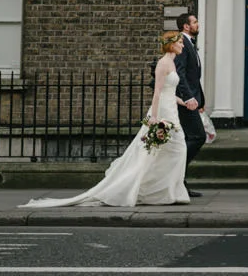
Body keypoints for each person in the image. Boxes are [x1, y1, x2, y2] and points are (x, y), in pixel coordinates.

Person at [20, 31, 190, 207]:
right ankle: (155, 190)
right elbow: (157, 92)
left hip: (171, 109)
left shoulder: (172, 62)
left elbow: (168, 92)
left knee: (171, 151)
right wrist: (154, 117)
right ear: (171, 44)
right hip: (162, 112)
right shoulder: (163, 64)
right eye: (180, 42)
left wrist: (183, 102)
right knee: (164, 150)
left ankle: (164, 191)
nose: (182, 45)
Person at [174, 11, 207, 195]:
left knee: (189, 139)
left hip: (193, 100)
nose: (198, 24)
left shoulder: (189, 43)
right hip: (185, 102)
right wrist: (188, 98)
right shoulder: (182, 44)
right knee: (197, 137)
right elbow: (180, 74)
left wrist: (200, 99)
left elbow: (194, 76)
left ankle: (179, 181)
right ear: (186, 26)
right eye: (195, 22)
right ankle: (177, 176)